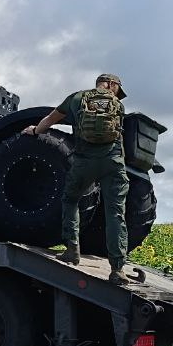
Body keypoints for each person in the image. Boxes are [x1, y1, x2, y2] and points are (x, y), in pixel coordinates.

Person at [23, 73, 130, 285]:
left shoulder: (77, 98)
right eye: (118, 88)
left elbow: (51, 119)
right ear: (112, 85)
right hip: (112, 163)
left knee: (71, 200)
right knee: (115, 213)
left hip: (83, 163)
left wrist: (35, 130)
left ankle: (72, 250)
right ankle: (117, 270)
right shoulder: (117, 105)